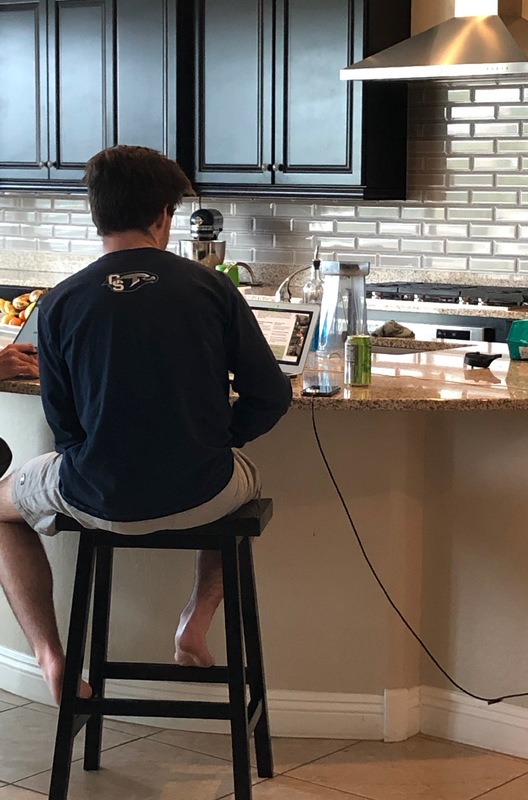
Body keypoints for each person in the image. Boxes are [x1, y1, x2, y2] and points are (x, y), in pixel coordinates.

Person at [0, 145, 292, 705]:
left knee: (0, 505)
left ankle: (50, 656)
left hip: (94, 497)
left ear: (96, 213)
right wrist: (220, 438)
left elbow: (64, 428)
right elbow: (270, 395)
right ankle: (194, 623)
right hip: (204, 491)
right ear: (164, 215)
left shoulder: (60, 302)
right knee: (240, 482)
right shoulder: (212, 288)